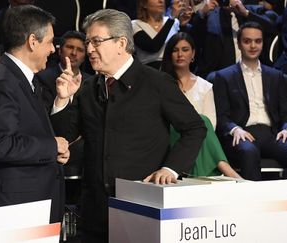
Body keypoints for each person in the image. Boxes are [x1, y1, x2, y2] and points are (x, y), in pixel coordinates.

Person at [51, 9, 206, 242]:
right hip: (95, 212)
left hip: (141, 208)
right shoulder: (88, 88)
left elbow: (195, 128)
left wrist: (170, 169)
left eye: (96, 41)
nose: (89, 49)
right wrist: (62, 100)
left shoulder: (156, 82)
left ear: (121, 43)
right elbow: (64, 136)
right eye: (88, 42)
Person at [0, 5, 69, 224]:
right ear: (32, 41)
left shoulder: (21, 77)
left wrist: (61, 102)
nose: (53, 50)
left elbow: (30, 130)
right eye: (49, 42)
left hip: (29, 203)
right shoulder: (4, 82)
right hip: (15, 207)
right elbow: (2, 145)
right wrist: (51, 146)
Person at [213, 21, 287, 181]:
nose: (253, 46)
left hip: (272, 134)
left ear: (263, 43)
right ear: (239, 43)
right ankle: (254, 202)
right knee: (248, 151)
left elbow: (286, 113)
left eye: (258, 41)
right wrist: (234, 129)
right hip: (243, 133)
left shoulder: (276, 76)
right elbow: (221, 116)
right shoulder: (224, 76)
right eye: (247, 41)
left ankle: (286, 200)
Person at [161, 32, 241, 178]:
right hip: (169, 135)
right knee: (200, 122)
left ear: (193, 54)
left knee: (201, 124)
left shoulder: (205, 86)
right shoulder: (162, 83)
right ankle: (227, 171)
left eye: (185, 50)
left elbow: (212, 124)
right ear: (169, 54)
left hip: (197, 139)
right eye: (175, 50)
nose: (180, 54)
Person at [37, 30, 91, 110]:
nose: (74, 53)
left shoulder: (91, 82)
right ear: (59, 51)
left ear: (84, 56)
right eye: (70, 47)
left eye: (80, 50)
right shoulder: (43, 77)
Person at [132, 0, 192, 69]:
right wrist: (172, 18)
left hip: (173, 70)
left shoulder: (173, 22)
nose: (161, 1)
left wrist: (183, 26)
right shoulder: (135, 25)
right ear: (144, 4)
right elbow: (153, 47)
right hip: (149, 72)